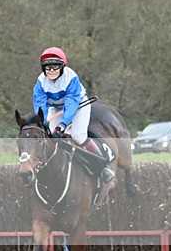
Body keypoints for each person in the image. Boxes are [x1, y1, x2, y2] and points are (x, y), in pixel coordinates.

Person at [33, 47, 115, 183]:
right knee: (52, 137)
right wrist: (43, 122)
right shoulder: (41, 81)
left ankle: (103, 165)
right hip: (56, 107)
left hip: (78, 105)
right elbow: (40, 104)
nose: (51, 71)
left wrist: (62, 125)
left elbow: (71, 105)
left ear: (62, 67)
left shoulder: (71, 78)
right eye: (48, 67)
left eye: (55, 67)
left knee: (78, 136)